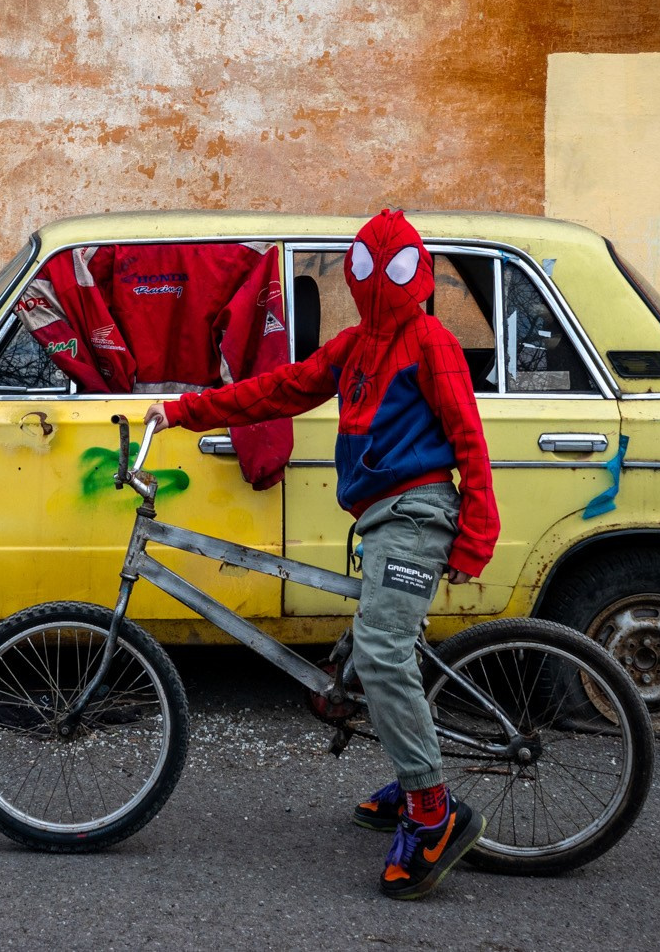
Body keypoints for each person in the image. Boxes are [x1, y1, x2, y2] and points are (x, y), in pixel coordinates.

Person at [144, 209, 501, 900]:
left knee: (386, 653)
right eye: (367, 268)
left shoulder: (430, 340)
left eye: (388, 269)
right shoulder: (354, 345)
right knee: (369, 653)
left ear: (413, 274)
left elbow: (469, 438)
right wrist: (186, 409)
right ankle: (410, 772)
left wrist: (476, 534)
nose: (377, 282)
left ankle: (433, 812)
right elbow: (277, 388)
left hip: (417, 515)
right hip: (380, 518)